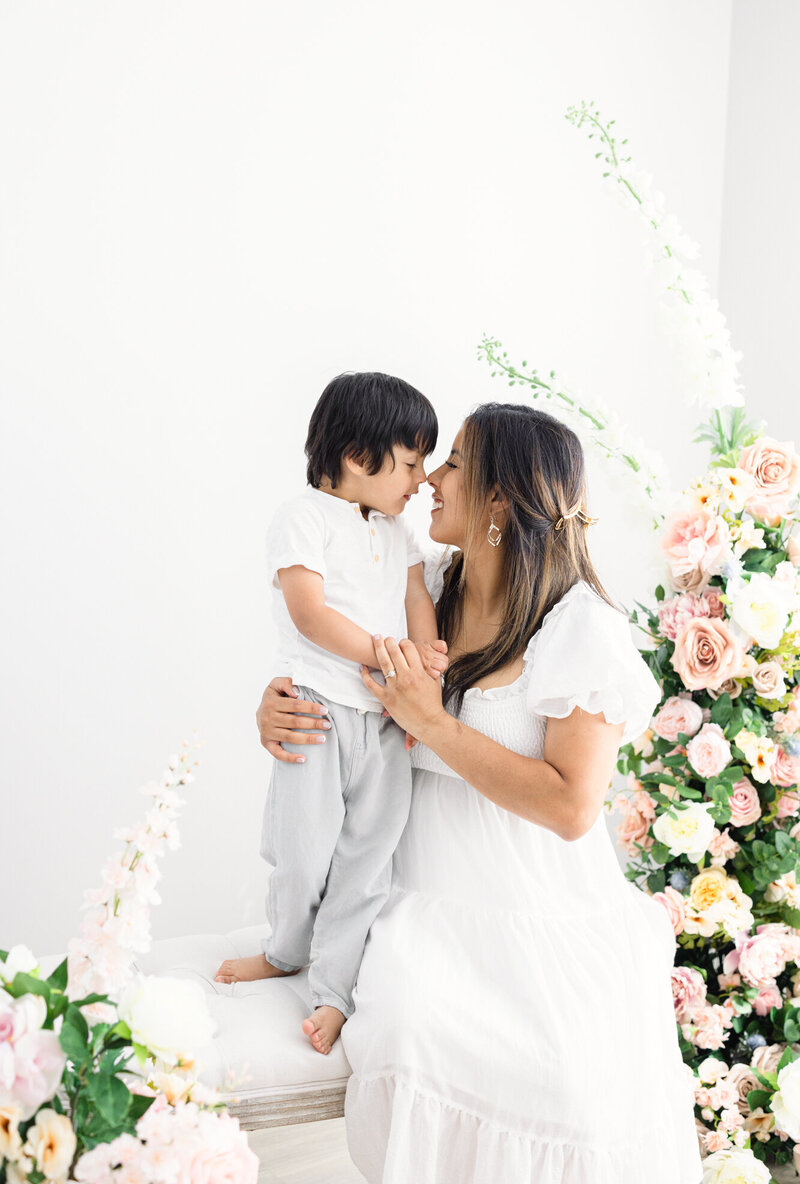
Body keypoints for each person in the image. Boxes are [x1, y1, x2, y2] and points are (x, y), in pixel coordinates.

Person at [255, 401, 703, 1183]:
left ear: (501, 497)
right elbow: (328, 656)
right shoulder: (416, 586)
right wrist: (280, 704)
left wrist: (430, 721)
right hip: (416, 904)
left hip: (536, 915)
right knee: (415, 1043)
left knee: (561, 1098)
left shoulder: (578, 628)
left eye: (455, 462)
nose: (430, 477)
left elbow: (572, 807)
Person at [216, 371, 448, 1055]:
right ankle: (286, 948)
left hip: (385, 717)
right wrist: (387, 655)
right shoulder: (302, 517)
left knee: (367, 860)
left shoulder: (398, 530)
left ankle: (334, 989)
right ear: (355, 454)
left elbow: (415, 599)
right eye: (410, 462)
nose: (421, 479)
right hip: (317, 711)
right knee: (301, 850)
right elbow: (309, 614)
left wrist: (427, 652)